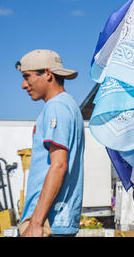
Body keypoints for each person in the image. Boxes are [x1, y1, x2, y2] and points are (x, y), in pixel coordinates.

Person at [16, 49, 85, 237]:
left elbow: (59, 165)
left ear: (47, 73)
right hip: (53, 221)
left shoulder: (56, 107)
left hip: (47, 223)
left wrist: (35, 223)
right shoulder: (68, 105)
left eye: (27, 77)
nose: (23, 85)